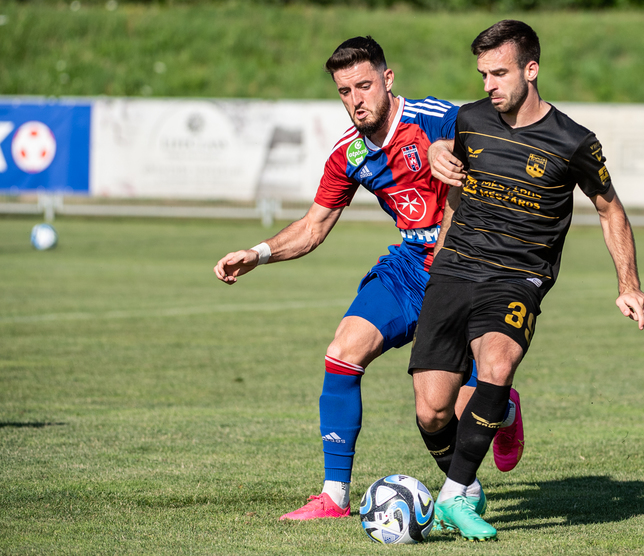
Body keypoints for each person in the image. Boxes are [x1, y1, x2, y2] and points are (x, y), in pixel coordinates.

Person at [213, 36, 524, 522]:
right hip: (409, 267)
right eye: (345, 91)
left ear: (387, 79)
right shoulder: (349, 153)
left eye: (364, 85)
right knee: (342, 352)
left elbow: (486, 138)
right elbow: (314, 226)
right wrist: (259, 253)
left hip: (467, 270)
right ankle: (335, 496)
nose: (356, 100)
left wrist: (449, 148)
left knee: (446, 409)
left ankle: (503, 411)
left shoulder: (434, 118)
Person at [409, 20, 644, 540]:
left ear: (531, 69)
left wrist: (628, 284)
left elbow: (610, 210)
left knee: (497, 365)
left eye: (499, 73)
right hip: (455, 268)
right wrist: (436, 159)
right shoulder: (470, 119)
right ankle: (474, 467)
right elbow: (449, 178)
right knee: (432, 412)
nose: (488, 85)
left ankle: (453, 494)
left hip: (519, 277)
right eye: (483, 74)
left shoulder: (573, 141)